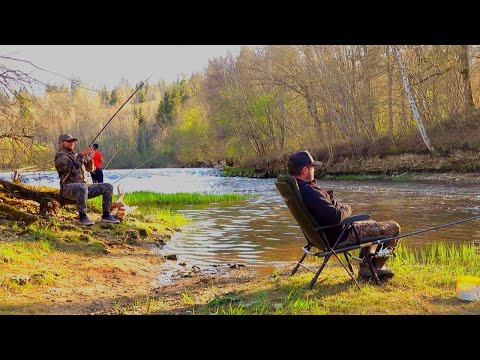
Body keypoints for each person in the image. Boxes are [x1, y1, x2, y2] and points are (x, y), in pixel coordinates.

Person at [287, 150, 401, 280]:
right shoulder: (309, 191)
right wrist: (347, 208)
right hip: (340, 235)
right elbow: (335, 216)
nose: (314, 170)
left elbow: (328, 209)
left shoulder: (299, 188)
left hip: (326, 234)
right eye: (313, 167)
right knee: (393, 227)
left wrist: (333, 202)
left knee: (374, 225)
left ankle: (367, 267)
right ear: (305, 170)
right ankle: (373, 268)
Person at [54, 134, 120, 226]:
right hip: (67, 189)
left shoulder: (75, 155)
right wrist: (81, 155)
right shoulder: (60, 156)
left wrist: (89, 159)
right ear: (61, 143)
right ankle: (83, 217)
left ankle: (106, 215)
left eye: (73, 141)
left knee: (108, 186)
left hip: (84, 188)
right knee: (82, 187)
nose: (71, 143)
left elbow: (91, 169)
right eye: (69, 141)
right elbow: (73, 170)